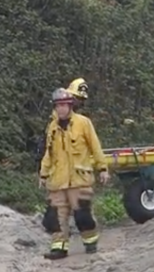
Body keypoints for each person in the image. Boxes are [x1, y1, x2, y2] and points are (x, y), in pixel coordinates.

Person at [39, 88, 109, 259]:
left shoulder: (83, 123)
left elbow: (95, 147)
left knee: (82, 215)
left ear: (70, 106)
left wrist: (103, 168)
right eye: (58, 106)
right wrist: (43, 174)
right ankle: (59, 248)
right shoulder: (53, 127)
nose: (60, 109)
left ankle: (90, 243)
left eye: (64, 105)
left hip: (79, 179)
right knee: (56, 217)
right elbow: (49, 153)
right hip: (58, 180)